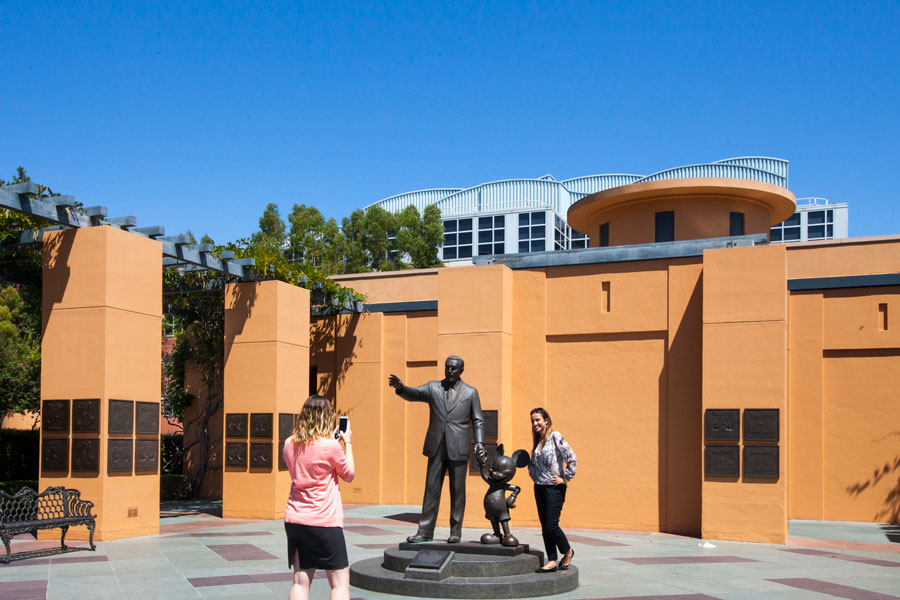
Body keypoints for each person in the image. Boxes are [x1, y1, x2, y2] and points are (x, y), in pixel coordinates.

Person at [388, 355, 487, 543]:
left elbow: (478, 420)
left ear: (461, 371)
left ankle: (455, 532)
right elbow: (415, 394)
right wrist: (401, 388)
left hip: (458, 446)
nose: (449, 371)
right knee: (431, 489)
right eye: (447, 367)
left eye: (454, 368)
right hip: (436, 445)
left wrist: (480, 442)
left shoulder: (470, 392)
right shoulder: (433, 387)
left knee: (457, 491)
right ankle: (425, 531)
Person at [283, 395, 355, 600]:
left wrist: (331, 443)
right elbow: (348, 474)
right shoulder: (331, 447)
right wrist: (347, 442)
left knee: (300, 581)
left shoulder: (288, 443)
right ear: (327, 417)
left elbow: (307, 462)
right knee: (340, 584)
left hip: (296, 519)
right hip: (325, 522)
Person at [527, 407, 577, 573]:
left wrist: (566, 478)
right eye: (533, 421)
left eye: (538, 420)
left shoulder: (555, 436)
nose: (535, 423)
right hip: (539, 488)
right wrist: (534, 476)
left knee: (551, 525)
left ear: (546, 420)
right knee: (544, 526)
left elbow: (571, 458)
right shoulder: (538, 441)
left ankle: (568, 551)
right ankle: (552, 560)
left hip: (555, 488)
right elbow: (532, 463)